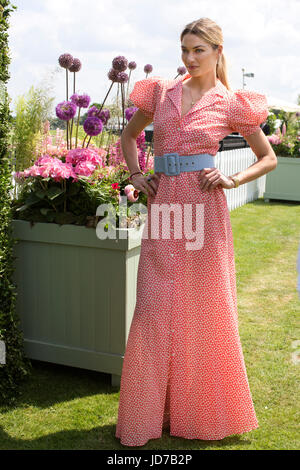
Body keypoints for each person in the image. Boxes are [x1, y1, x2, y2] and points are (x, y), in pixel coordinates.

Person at [115, 17, 277, 447]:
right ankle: (145, 417)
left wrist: (233, 180)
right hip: (165, 206)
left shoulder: (231, 103)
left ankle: (201, 414)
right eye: (184, 49)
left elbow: (268, 158)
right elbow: (128, 137)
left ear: (217, 51)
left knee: (203, 311)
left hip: (205, 210)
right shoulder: (162, 92)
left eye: (198, 50)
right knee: (153, 309)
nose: (188, 58)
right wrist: (136, 175)